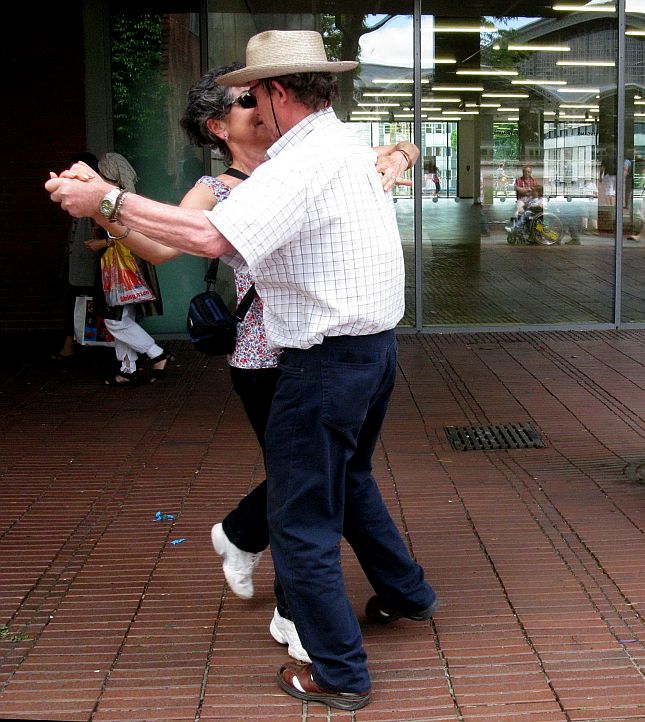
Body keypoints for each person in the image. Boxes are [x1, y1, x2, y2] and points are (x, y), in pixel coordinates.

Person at [46, 29, 437, 711]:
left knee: (299, 519)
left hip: (324, 361)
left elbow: (207, 237)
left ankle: (339, 671)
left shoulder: (297, 162)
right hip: (371, 352)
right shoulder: (337, 145)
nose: (252, 106)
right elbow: (188, 234)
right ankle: (404, 592)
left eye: (255, 93)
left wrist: (106, 201)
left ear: (278, 92)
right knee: (345, 481)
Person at [93, 152, 170, 385]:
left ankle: (157, 354)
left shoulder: (115, 200)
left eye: (102, 173)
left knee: (115, 320)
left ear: (111, 176)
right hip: (129, 266)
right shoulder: (129, 198)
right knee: (124, 317)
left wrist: (103, 242)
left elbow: (122, 233)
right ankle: (128, 368)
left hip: (123, 268)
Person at [53, 152, 103, 362]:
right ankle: (72, 344)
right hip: (79, 261)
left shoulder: (96, 196)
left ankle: (74, 346)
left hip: (90, 261)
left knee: (86, 303)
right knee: (75, 302)